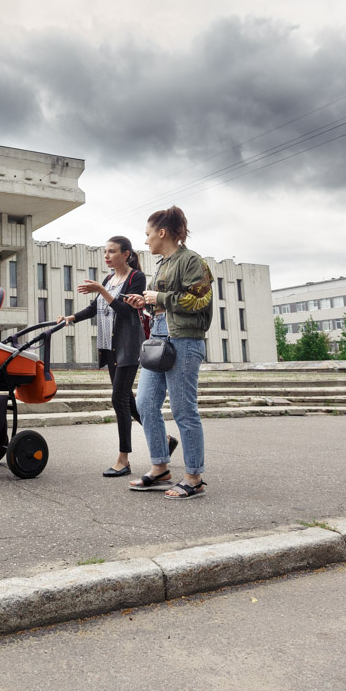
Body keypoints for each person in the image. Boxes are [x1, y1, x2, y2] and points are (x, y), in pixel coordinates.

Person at [58, 236, 176, 477]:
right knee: (128, 400)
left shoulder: (136, 278)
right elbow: (95, 308)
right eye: (105, 252)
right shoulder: (109, 278)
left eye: (112, 251)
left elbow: (123, 310)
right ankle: (165, 440)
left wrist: (102, 290)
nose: (107, 256)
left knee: (118, 399)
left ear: (126, 254)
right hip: (109, 347)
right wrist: (72, 317)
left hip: (128, 346)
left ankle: (124, 460)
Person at [123, 206, 213, 500]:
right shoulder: (163, 264)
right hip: (160, 338)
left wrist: (158, 297)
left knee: (183, 410)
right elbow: (162, 304)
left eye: (148, 234)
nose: (145, 240)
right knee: (145, 402)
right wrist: (146, 303)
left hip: (185, 341)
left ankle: (194, 477)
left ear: (162, 233)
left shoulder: (192, 261)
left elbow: (199, 300)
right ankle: (160, 467)